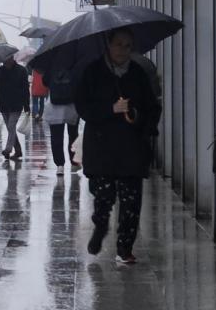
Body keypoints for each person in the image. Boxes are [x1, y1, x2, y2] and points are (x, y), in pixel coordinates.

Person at [75, 28, 161, 265]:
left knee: (131, 201)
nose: (123, 50)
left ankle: (125, 247)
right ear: (108, 45)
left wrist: (137, 116)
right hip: (102, 149)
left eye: (128, 45)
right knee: (104, 197)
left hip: (131, 148)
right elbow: (83, 107)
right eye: (119, 44)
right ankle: (100, 227)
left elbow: (153, 107)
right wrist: (110, 109)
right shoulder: (93, 72)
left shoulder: (138, 73)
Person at [0, 56, 31, 160]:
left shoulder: (21, 70)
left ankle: (8, 149)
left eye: (7, 59)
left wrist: (26, 105)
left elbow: (25, 88)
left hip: (16, 104)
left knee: (11, 126)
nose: (5, 61)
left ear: (12, 58)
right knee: (10, 129)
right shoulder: (0, 71)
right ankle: (18, 151)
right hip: (3, 103)